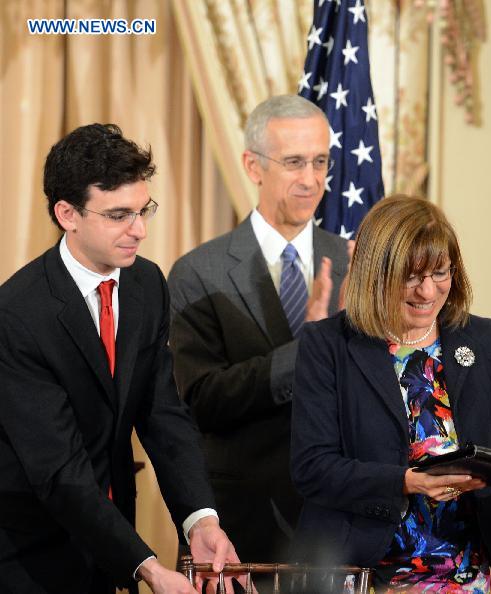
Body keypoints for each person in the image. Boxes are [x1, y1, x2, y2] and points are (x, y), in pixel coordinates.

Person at [0, 123, 240, 593]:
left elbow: (162, 415)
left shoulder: (146, 284)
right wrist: (149, 568)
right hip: (32, 553)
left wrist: (200, 521)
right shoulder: (18, 315)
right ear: (67, 214)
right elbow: (60, 473)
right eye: (118, 215)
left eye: (143, 209)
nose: (141, 230)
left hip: (114, 544)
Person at [290, 195, 491, 591]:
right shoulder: (328, 344)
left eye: (440, 273)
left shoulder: (484, 338)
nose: (428, 291)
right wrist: (407, 481)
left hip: (461, 570)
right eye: (411, 276)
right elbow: (313, 468)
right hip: (359, 572)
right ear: (376, 273)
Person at [168, 95, 350, 566]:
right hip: (240, 529)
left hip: (341, 527)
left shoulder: (358, 264)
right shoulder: (199, 273)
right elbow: (201, 400)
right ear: (253, 166)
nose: (311, 180)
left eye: (320, 162)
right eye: (293, 163)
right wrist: (304, 349)